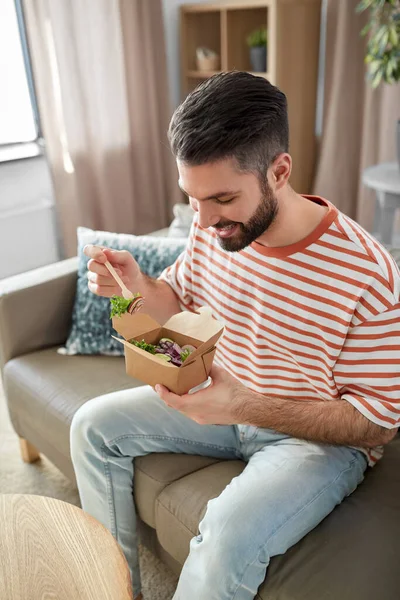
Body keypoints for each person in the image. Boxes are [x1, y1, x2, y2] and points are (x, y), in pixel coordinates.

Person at [70, 71, 400, 600]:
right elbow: (176, 300)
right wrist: (135, 286)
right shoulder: (211, 226)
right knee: (91, 425)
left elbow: (377, 423)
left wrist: (241, 404)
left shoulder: (367, 275)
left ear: (279, 171)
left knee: (224, 537)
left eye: (221, 198)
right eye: (192, 198)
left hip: (312, 440)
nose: (202, 219)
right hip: (222, 401)